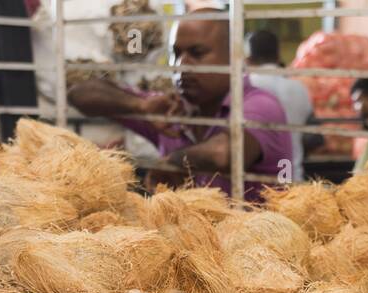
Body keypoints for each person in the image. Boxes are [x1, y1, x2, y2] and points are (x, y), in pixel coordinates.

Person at [66, 14, 291, 200]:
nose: (182, 65)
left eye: (197, 53)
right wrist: (140, 105)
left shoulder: (262, 105)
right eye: (176, 54)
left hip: (256, 247)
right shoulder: (169, 109)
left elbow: (225, 153)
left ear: (233, 59)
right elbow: (79, 95)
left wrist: (174, 163)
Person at [245, 29, 316, 182]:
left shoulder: (245, 86)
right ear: (278, 57)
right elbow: (311, 134)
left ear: (248, 59)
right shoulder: (300, 89)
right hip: (293, 179)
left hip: (258, 185)